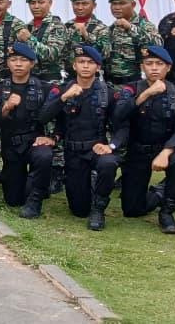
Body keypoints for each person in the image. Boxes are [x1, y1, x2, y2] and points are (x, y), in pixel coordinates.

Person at [41, 45, 122, 230]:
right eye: (81, 62)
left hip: (97, 149)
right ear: (74, 65)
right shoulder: (61, 89)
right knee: (79, 210)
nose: (85, 66)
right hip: (73, 152)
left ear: (98, 67)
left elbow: (122, 126)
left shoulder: (108, 93)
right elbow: (43, 117)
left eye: (90, 62)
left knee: (108, 163)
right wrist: (63, 98)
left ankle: (99, 209)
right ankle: (89, 187)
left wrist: (112, 146)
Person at [113, 45, 175, 234]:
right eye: (149, 63)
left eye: (159, 64)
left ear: (168, 67)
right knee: (132, 210)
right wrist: (146, 94)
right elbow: (118, 116)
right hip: (138, 150)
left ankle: (167, 212)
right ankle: (160, 192)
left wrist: (166, 152)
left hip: (167, 149)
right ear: (142, 67)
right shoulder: (131, 89)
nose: (154, 68)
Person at [0, 42, 56, 218]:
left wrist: (52, 137)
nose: (18, 64)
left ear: (32, 63)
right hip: (11, 145)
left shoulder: (44, 88)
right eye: (14, 60)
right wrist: (6, 107)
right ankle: (30, 184)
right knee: (13, 200)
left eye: (23, 60)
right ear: (8, 63)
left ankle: (36, 199)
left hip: (34, 141)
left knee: (44, 155)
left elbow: (57, 116)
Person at [104, 0, 161, 85]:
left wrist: (131, 28)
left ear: (133, 4)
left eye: (122, 3)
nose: (117, 7)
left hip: (135, 82)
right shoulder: (112, 28)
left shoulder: (144, 25)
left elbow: (158, 45)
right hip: (112, 82)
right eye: (114, 4)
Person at [22, 0, 69, 83]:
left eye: (41, 2)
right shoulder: (27, 27)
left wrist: (29, 39)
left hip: (52, 80)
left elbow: (52, 54)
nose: (36, 6)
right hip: (31, 80)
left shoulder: (57, 26)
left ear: (50, 3)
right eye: (32, 3)